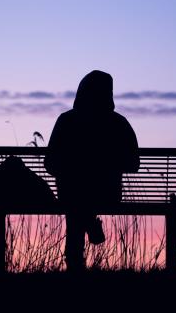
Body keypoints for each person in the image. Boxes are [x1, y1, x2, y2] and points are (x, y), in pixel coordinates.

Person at [45, 70, 140, 272]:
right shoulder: (118, 122)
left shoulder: (66, 120)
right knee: (79, 203)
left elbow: (50, 163)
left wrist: (75, 166)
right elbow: (133, 163)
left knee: (75, 206)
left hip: (72, 193)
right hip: (107, 193)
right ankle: (89, 223)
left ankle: (75, 264)